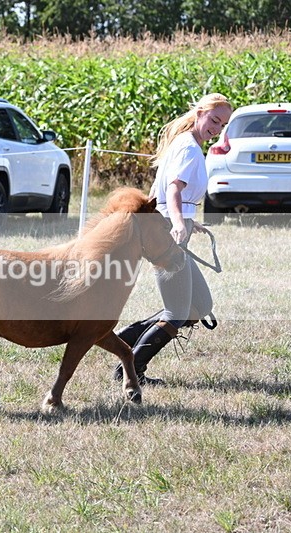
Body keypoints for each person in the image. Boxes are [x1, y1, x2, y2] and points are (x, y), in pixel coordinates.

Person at [113, 93, 233, 385]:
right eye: (214, 120)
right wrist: (179, 222)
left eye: (223, 124)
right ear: (200, 114)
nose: (217, 128)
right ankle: (130, 371)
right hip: (168, 236)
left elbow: (166, 195)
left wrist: (189, 221)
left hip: (172, 229)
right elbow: (173, 189)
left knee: (199, 306)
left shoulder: (186, 145)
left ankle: (118, 340)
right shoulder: (189, 148)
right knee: (178, 311)